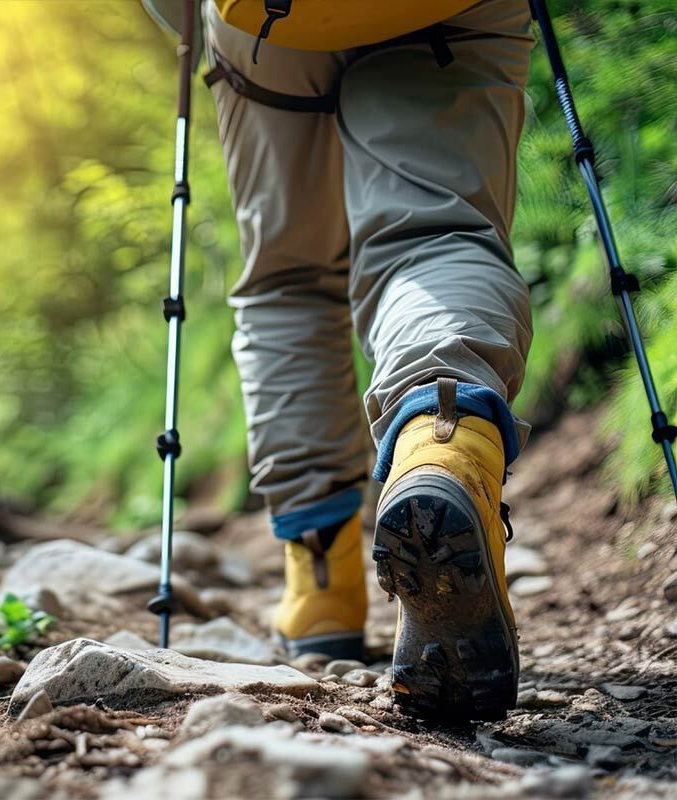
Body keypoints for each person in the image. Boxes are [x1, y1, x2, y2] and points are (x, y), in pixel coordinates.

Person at [144, 0, 534, 720]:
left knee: (288, 284)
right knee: (439, 233)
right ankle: (442, 448)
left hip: (262, 24)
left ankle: (322, 584)